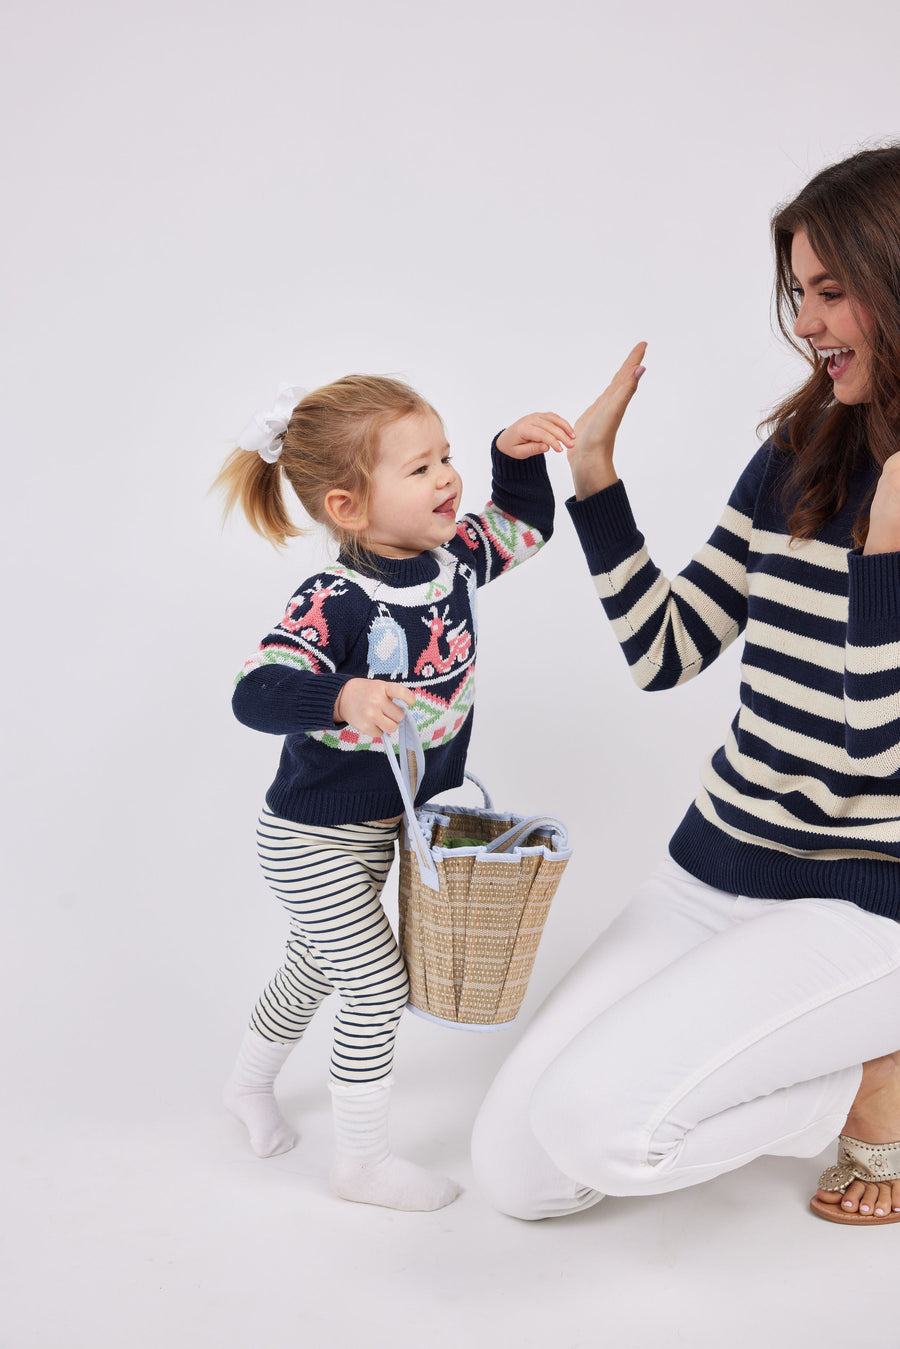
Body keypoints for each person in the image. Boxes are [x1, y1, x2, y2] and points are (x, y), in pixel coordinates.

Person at [471, 145, 900, 1227]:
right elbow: (666, 651)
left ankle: (878, 1085)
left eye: (832, 290)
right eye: (799, 293)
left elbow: (879, 748)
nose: (806, 322)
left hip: (868, 904)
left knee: (606, 1123)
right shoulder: (803, 451)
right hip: (717, 860)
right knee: (524, 1175)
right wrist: (597, 482)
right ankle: (848, 1077)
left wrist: (884, 568)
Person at [214, 373, 572, 1211]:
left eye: (446, 456)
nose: (447, 479)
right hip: (310, 837)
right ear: (348, 506)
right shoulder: (334, 599)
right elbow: (254, 691)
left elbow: (523, 528)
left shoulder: (453, 562)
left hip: (386, 830)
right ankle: (361, 1161)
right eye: (420, 470)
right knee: (375, 983)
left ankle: (246, 1084)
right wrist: (339, 696)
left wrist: (510, 462)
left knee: (313, 965)